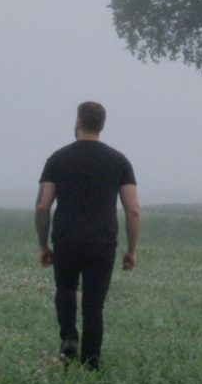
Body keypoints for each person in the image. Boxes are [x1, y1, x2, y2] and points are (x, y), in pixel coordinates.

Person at [34, 100, 139, 369]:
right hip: (102, 242)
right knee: (94, 306)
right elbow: (133, 209)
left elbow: (43, 205)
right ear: (101, 125)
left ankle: (69, 337)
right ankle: (91, 363)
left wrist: (43, 244)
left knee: (66, 289)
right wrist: (131, 250)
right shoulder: (119, 161)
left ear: (78, 123)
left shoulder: (57, 158)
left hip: (66, 239)